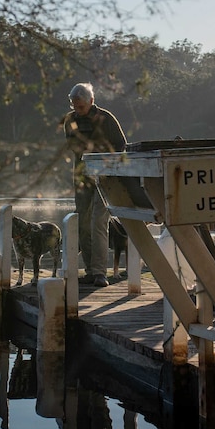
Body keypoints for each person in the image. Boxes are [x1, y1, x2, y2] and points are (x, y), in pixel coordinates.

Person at [62, 82, 127, 287]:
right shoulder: (70, 120)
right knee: (82, 222)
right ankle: (90, 270)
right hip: (82, 177)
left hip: (106, 177)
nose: (77, 109)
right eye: (74, 105)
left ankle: (100, 273)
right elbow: (72, 145)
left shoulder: (106, 118)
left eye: (80, 106)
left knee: (98, 221)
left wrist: (103, 157)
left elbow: (121, 144)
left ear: (91, 101)